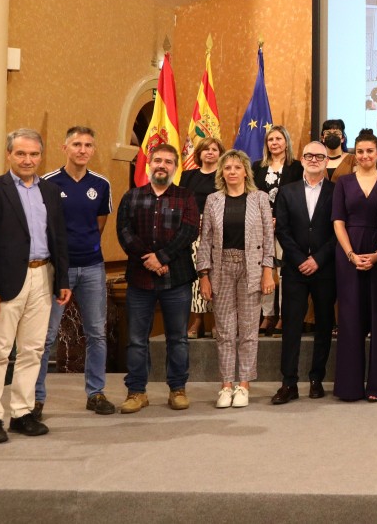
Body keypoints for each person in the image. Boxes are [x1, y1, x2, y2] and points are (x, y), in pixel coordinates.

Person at [0, 129, 71, 444]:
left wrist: (63, 280)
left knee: (33, 351)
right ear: (9, 155)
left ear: (41, 156)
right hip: (6, 282)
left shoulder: (51, 191)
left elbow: (59, 239)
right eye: (21, 154)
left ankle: (23, 413)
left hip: (43, 277)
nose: (28, 160)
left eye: (34, 154)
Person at [35, 126, 114, 419]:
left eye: (88, 145)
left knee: (96, 333)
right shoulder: (48, 183)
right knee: (46, 336)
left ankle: (95, 393)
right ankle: (36, 399)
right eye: (77, 144)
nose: (83, 150)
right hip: (57, 269)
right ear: (64, 147)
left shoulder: (101, 184)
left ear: (93, 150)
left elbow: (100, 223)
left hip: (93, 267)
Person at [116, 143, 200, 413]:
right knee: (137, 339)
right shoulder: (132, 196)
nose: (162, 165)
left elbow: (189, 231)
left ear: (175, 168)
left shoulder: (186, 197)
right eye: (158, 160)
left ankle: (177, 389)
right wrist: (150, 260)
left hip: (177, 279)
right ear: (149, 164)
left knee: (178, 338)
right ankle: (137, 392)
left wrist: (162, 257)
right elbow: (124, 232)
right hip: (140, 279)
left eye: (168, 162)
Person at [196, 150, 274, 408]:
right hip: (221, 269)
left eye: (236, 168)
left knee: (249, 331)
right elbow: (205, 239)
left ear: (245, 172)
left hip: (251, 267)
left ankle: (244, 385)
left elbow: (267, 239)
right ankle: (226, 385)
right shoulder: (213, 200)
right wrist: (204, 275)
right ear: (222, 172)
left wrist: (267, 271)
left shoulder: (260, 198)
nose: (232, 172)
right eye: (227, 168)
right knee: (226, 331)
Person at [331, 130, 377, 401]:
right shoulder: (343, 183)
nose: (365, 156)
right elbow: (337, 221)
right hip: (349, 255)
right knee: (350, 320)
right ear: (354, 154)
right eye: (360, 151)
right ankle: (349, 387)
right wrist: (350, 254)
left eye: (370, 151)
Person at [271, 142, 337, 404]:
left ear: (326, 161)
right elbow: (282, 230)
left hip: (325, 268)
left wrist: (318, 260)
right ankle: (289, 383)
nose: (313, 159)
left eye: (319, 156)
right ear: (301, 159)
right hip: (295, 269)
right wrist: (301, 260)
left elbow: (338, 230)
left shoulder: (336, 191)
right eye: (309, 155)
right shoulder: (287, 192)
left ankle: (316, 379)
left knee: (323, 325)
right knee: (291, 326)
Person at [252, 125, 302, 335]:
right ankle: (267, 315)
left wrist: (278, 220)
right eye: (270, 139)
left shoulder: (296, 167)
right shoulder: (257, 167)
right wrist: (265, 219)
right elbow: (252, 196)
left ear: (286, 142)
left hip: (287, 227)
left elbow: (299, 198)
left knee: (282, 272)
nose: (274, 143)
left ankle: (282, 316)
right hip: (260, 226)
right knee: (264, 270)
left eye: (278, 139)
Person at [180, 136, 224, 339]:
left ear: (219, 153)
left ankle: (217, 321)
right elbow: (182, 203)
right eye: (206, 149)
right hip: (193, 230)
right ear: (199, 154)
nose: (210, 153)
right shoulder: (188, 176)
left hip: (219, 230)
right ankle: (197, 321)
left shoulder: (224, 176)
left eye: (214, 149)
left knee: (217, 275)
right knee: (199, 275)